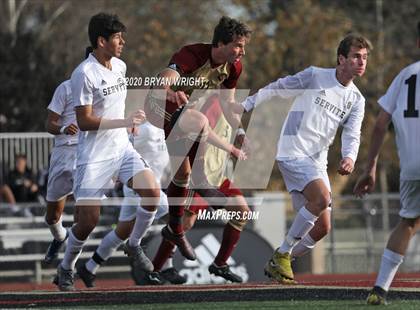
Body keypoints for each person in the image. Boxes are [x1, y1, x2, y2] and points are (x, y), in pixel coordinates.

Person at [234, 34, 372, 283]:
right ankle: (283, 255)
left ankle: (280, 259)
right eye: (355, 56)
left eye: (364, 58)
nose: (361, 62)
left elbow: (353, 133)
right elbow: (279, 86)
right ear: (341, 59)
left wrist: (349, 157)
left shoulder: (357, 100)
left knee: (322, 227)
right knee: (322, 198)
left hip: (317, 161)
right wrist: (246, 104)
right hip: (292, 151)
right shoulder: (315, 75)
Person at [54, 13, 160, 291]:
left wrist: (129, 126)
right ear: (101, 41)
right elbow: (85, 121)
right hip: (94, 157)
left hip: (122, 148)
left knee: (152, 193)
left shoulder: (121, 67)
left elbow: (115, 107)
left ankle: (134, 246)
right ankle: (66, 267)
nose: (122, 41)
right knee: (87, 223)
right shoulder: (84, 74)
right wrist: (124, 122)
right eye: (117, 37)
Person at [144, 15, 251, 262]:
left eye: (244, 46)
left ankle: (175, 230)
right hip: (159, 106)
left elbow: (228, 103)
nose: (242, 52)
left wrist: (241, 133)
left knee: (183, 174)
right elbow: (166, 76)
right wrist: (168, 90)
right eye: (238, 45)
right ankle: (180, 222)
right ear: (220, 44)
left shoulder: (233, 67)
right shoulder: (193, 54)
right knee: (200, 121)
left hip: (185, 116)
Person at [144, 95, 251, 285]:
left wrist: (241, 133)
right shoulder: (214, 102)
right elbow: (202, 132)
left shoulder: (229, 104)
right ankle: (156, 269)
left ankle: (220, 264)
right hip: (201, 175)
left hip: (219, 177)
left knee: (242, 212)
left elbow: (235, 118)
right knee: (184, 223)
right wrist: (231, 149)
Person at [354, 22, 420, 306]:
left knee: (407, 223)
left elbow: (380, 125)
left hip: (411, 169)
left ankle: (379, 289)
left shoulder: (405, 75)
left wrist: (369, 168)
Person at [77, 121, 171, 288]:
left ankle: (89, 268)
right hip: (142, 188)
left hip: (142, 188)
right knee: (177, 221)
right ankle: (164, 268)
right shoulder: (146, 129)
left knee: (121, 232)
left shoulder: (168, 127)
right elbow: (123, 145)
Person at [43, 79, 79, 264]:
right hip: (64, 152)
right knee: (52, 217)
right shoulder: (65, 88)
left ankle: (68, 268)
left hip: (90, 153)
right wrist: (64, 128)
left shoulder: (107, 89)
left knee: (86, 217)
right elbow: (49, 124)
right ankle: (60, 237)